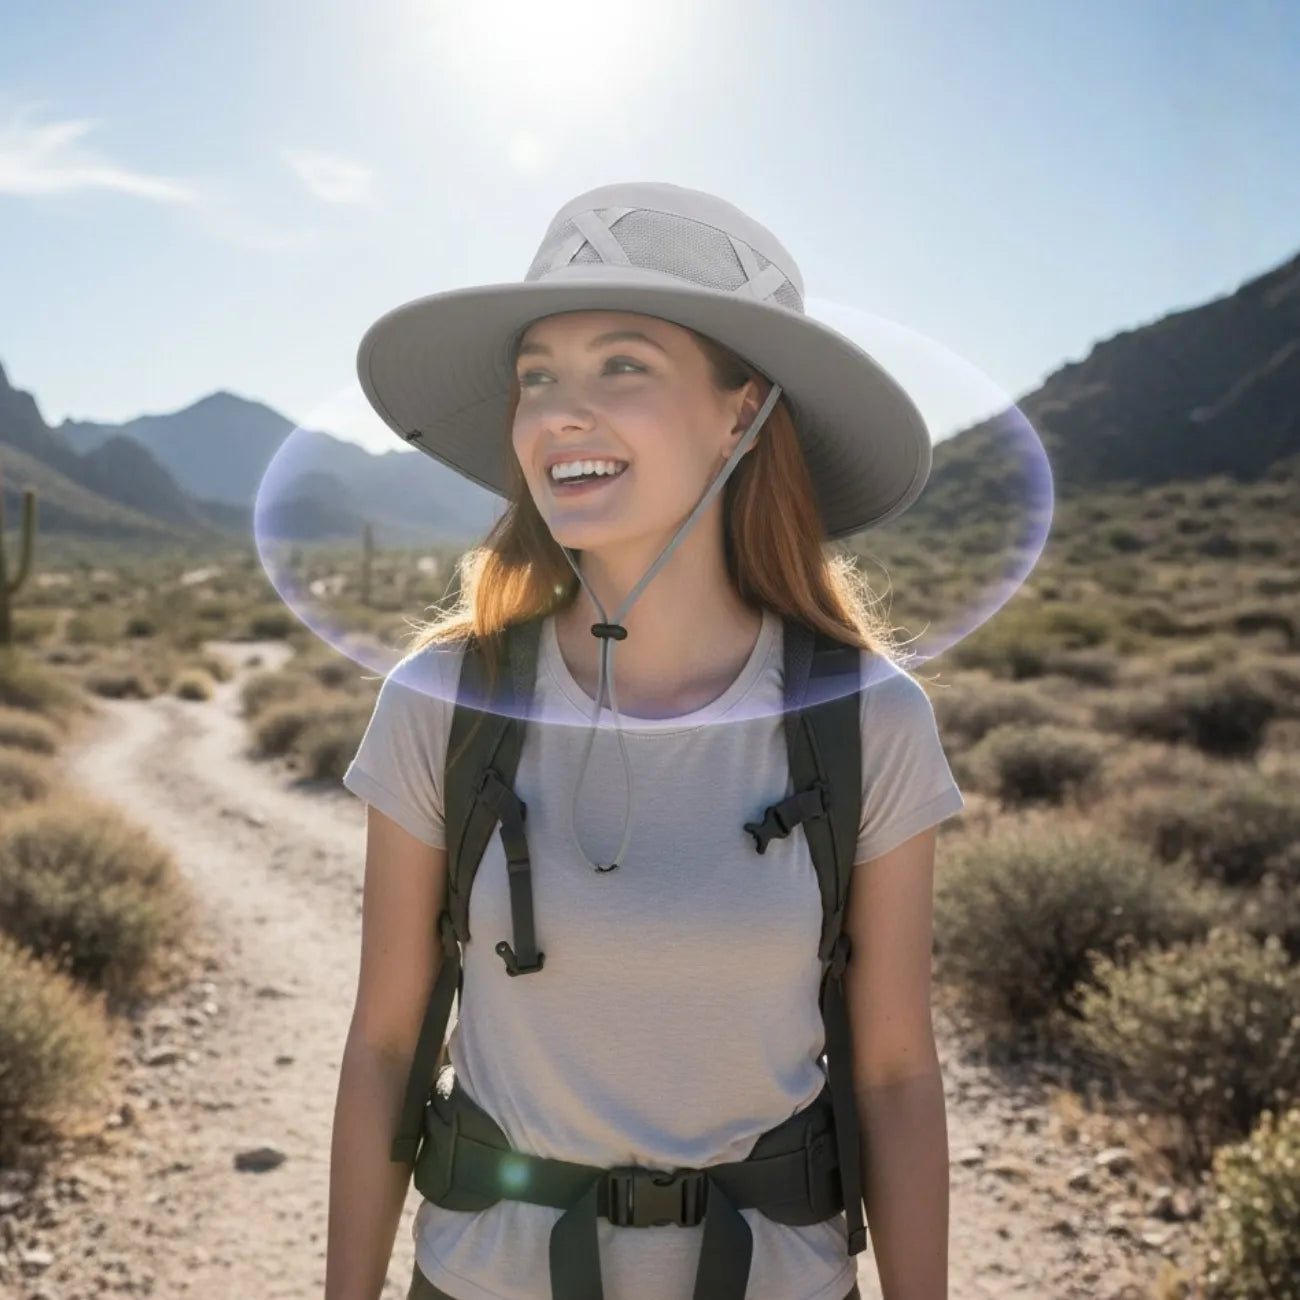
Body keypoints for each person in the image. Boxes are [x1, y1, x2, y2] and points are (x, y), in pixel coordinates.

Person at [326, 182, 964, 1300]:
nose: (559, 412)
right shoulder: (441, 703)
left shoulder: (867, 720)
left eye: (622, 364)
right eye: (537, 377)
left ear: (742, 410)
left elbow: (899, 1070)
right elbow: (385, 1046)